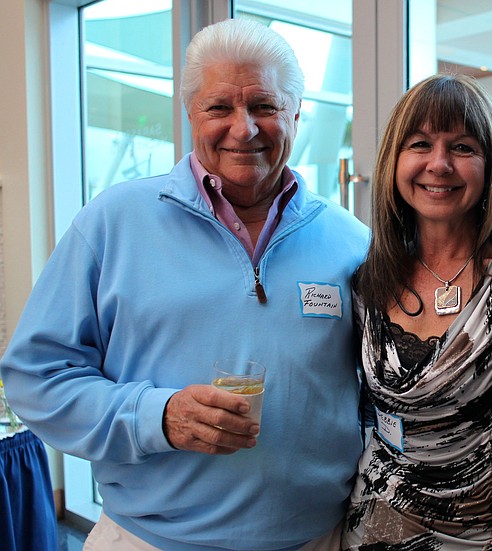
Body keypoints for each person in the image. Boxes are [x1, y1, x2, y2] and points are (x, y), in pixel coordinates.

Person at [0, 18, 369, 551]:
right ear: (191, 113)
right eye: (219, 107)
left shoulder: (351, 241)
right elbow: (35, 377)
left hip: (319, 539)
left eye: (264, 105)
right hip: (147, 540)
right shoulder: (113, 223)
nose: (244, 128)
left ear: (295, 113)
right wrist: (158, 416)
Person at [341, 74, 492, 551]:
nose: (439, 164)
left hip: (483, 536)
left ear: (491, 166)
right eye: (420, 144)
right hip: (374, 528)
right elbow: (366, 421)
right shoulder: (368, 280)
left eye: (462, 147)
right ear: (394, 161)